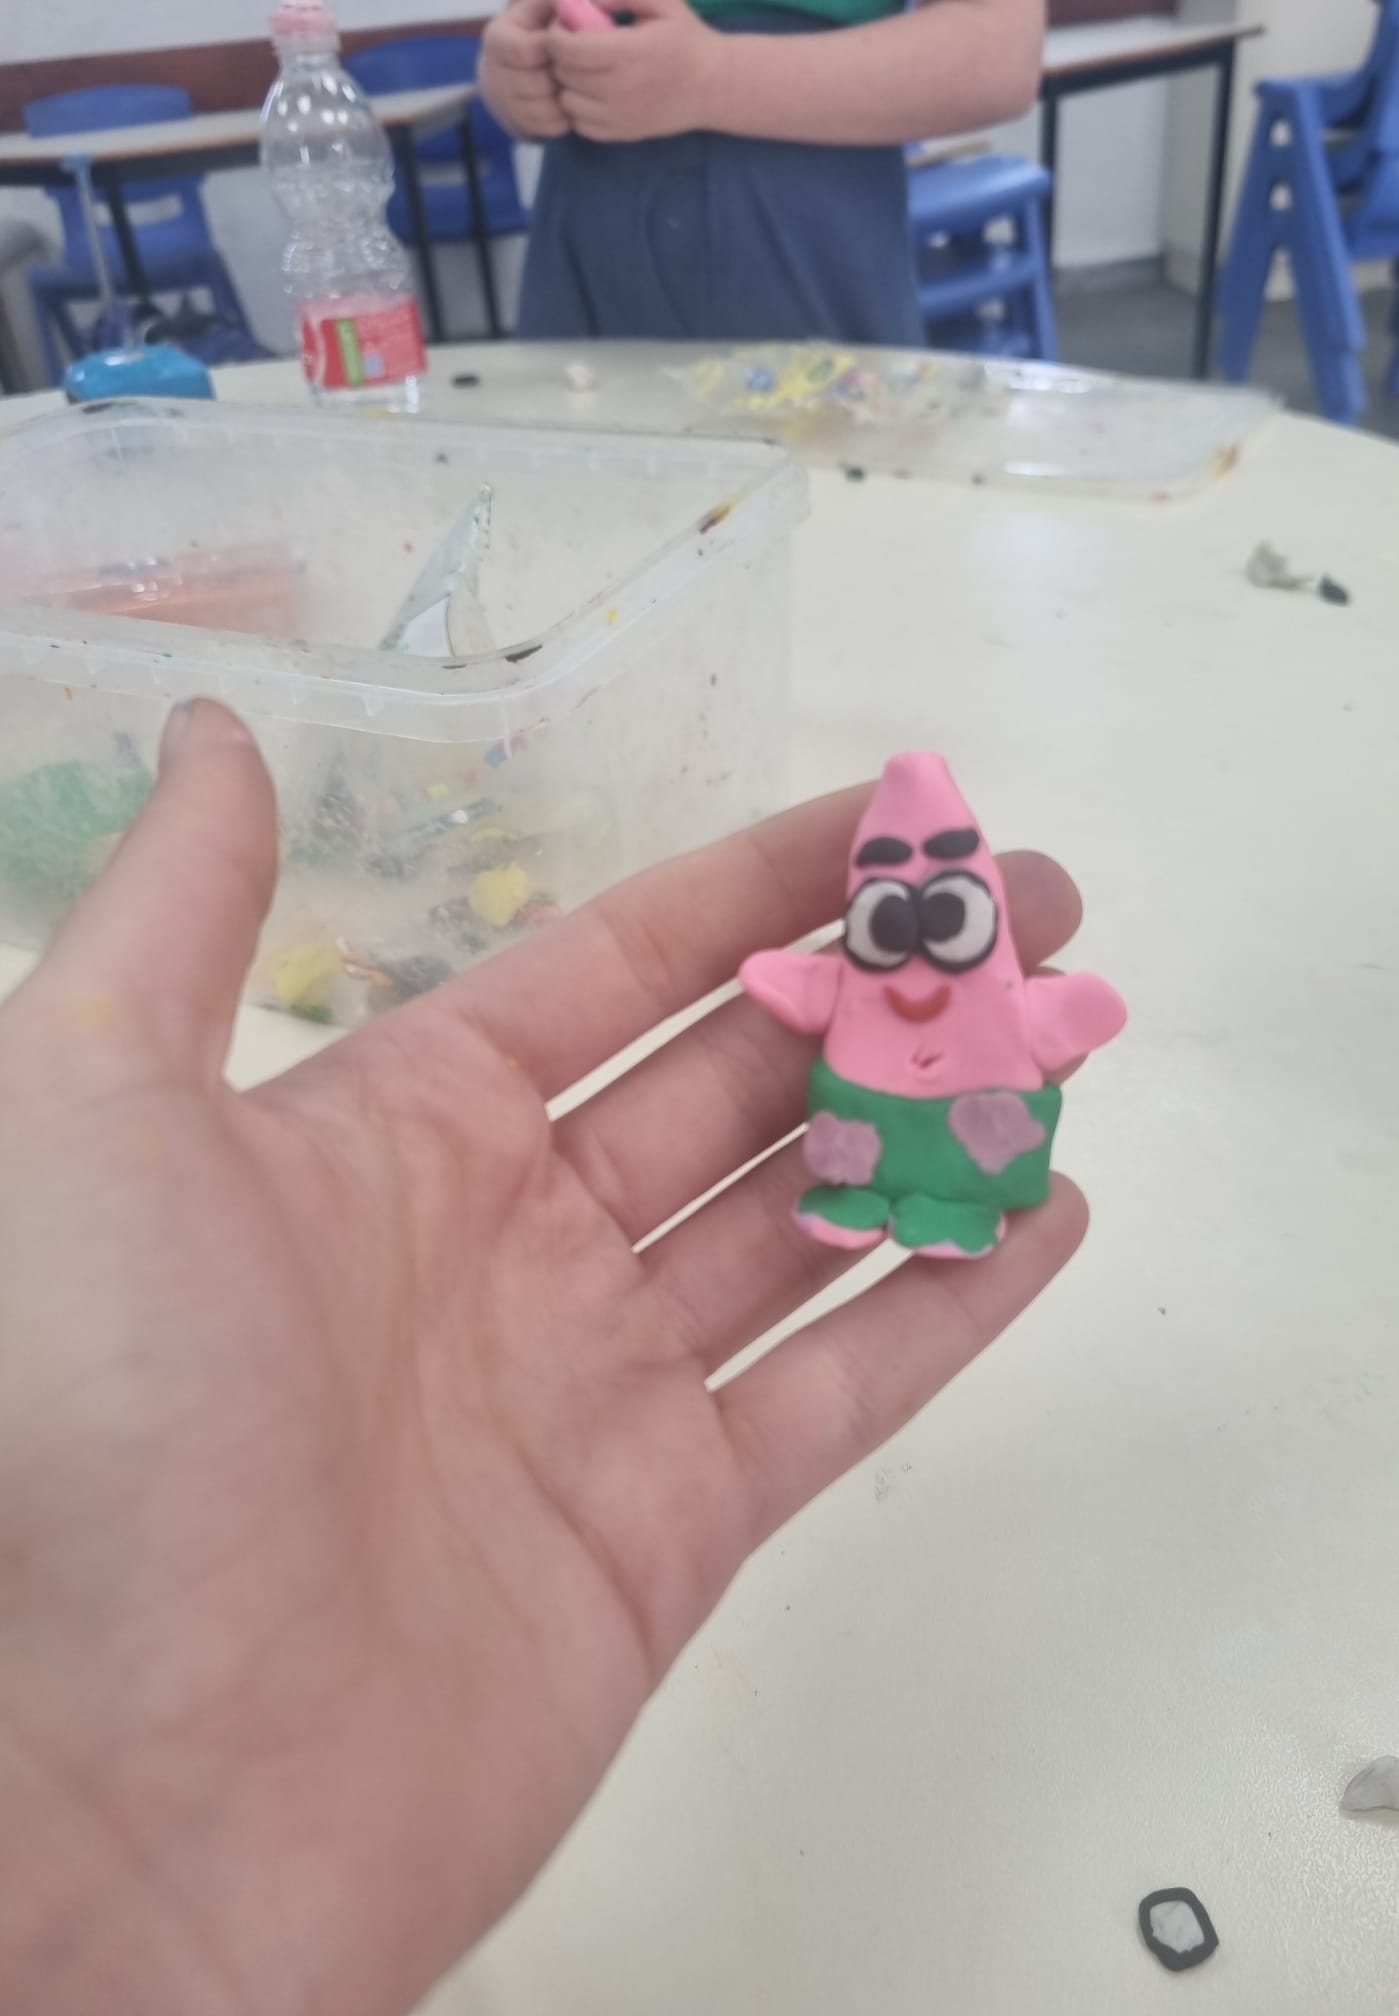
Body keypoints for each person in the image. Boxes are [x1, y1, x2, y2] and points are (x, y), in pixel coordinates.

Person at [0, 701, 1091, 2014]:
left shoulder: (953, 983)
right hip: (854, 1135)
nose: (910, 955)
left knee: (949, 1155)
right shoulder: (848, 980)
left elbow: (1020, 1013)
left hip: (956, 1136)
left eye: (938, 918)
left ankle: (941, 1199)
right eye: (892, 919)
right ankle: (880, 1191)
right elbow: (804, 988)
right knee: (866, 1154)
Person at [479, 0, 1046, 344]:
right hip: (582, 232)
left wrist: (712, 78)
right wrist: (514, 74)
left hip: (800, 230)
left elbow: (1000, 55)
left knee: (822, 486)